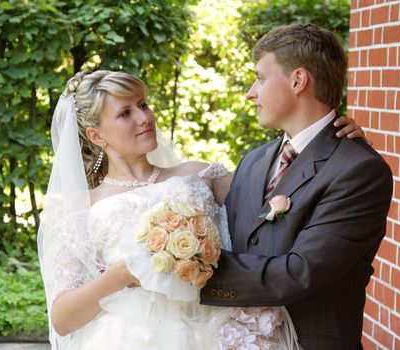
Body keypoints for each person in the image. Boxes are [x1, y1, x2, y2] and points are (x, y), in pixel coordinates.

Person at [37, 69, 366, 349]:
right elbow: (63, 318)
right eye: (125, 113)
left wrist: (336, 147)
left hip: (220, 329)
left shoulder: (199, 175)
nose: (144, 118)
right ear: (96, 135)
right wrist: (121, 274)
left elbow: (286, 184)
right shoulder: (80, 209)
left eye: (143, 104)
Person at [200, 24, 393, 350]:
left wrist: (189, 274)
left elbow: (300, 272)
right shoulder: (253, 161)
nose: (250, 92)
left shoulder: (359, 170)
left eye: (260, 78)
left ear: (298, 80)